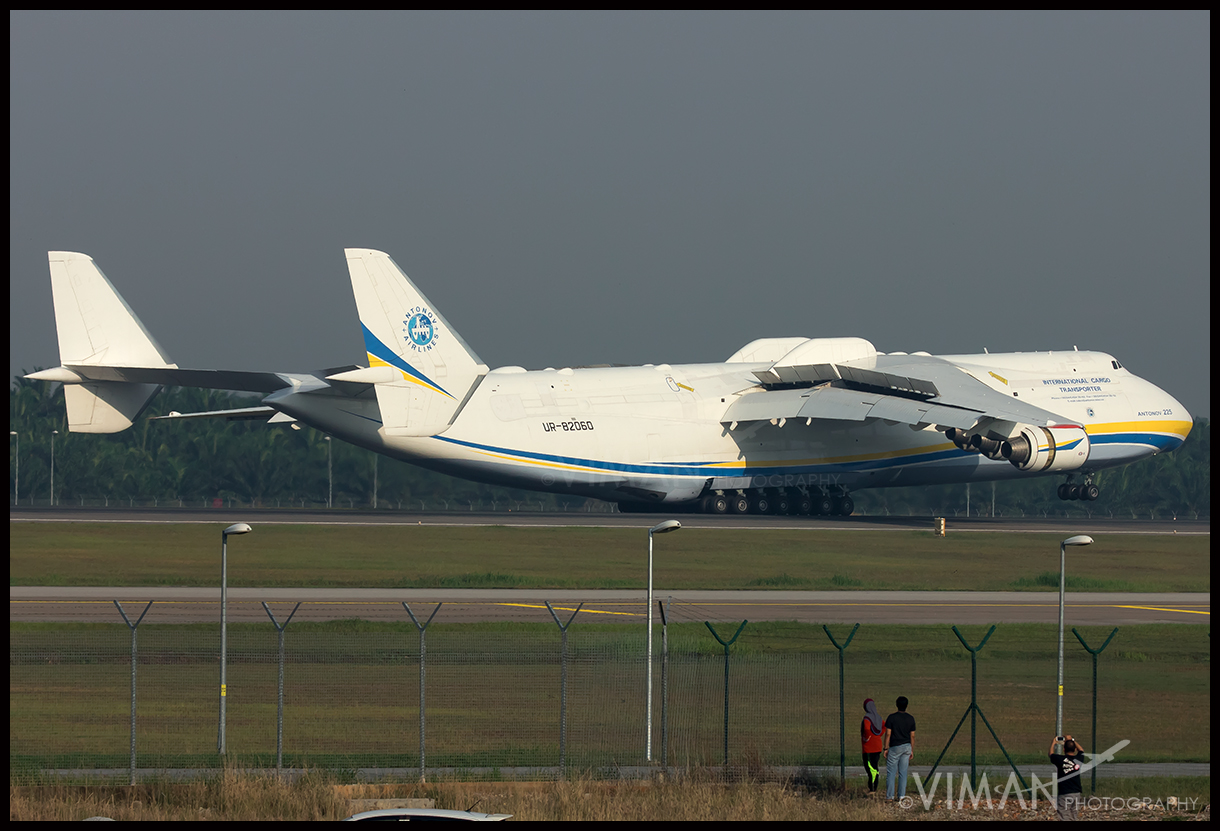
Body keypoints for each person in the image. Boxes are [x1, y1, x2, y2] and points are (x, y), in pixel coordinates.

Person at [882, 696, 916, 800]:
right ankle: (901, 796)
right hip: (906, 747)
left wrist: (885, 748)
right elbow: (912, 736)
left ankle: (890, 796)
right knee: (903, 773)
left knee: (891, 772)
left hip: (895, 747)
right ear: (907, 705)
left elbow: (888, 734)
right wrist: (911, 749)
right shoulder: (911, 718)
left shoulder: (892, 717)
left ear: (897, 705)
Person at [1048, 734, 1087, 821]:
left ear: (1064, 749)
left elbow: (1051, 754)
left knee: (1064, 815)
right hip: (1076, 792)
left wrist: (1053, 743)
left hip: (1065, 792)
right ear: (1075, 749)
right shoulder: (1078, 759)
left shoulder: (1060, 759)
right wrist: (1072, 740)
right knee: (1073, 815)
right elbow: (1081, 750)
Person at [860, 698, 885, 793]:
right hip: (878, 746)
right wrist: (879, 734)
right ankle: (874, 787)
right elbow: (885, 725)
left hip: (868, 747)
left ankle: (872, 788)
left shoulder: (867, 718)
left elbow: (866, 729)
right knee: (875, 767)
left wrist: (867, 737)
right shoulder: (878, 717)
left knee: (870, 768)